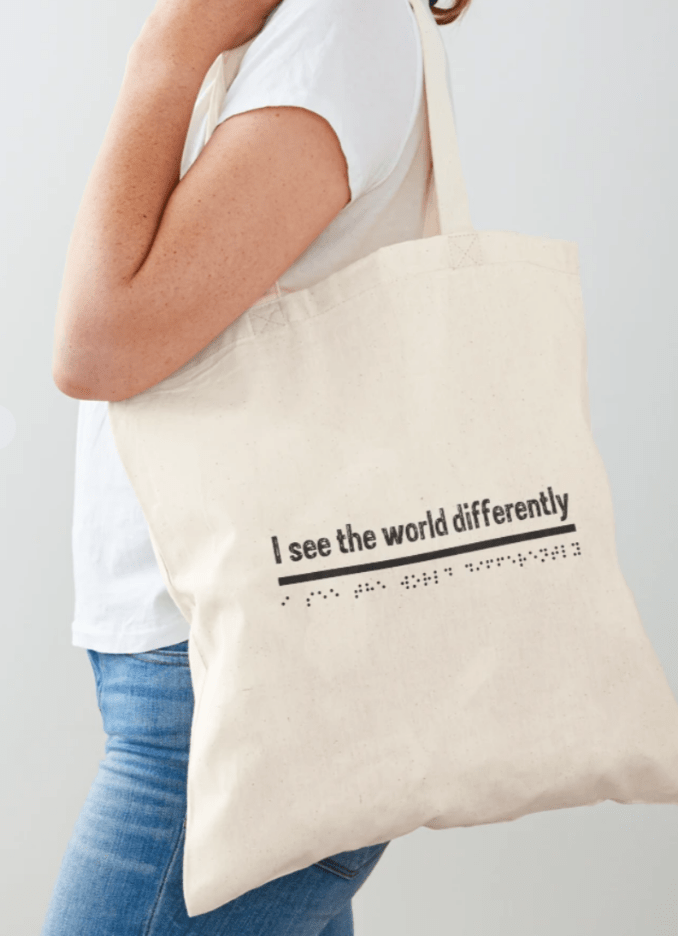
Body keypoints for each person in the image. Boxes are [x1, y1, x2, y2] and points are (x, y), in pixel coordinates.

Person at [42, 0, 473, 932]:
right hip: (208, 673)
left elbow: (99, 343)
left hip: (242, 700)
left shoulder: (337, 25)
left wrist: (167, 47)